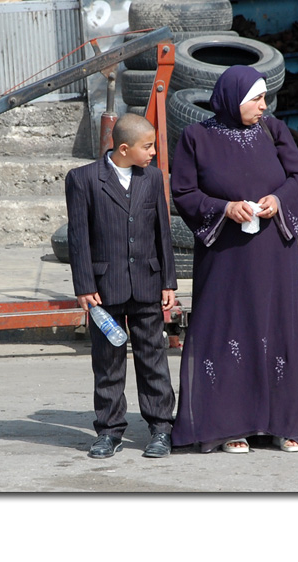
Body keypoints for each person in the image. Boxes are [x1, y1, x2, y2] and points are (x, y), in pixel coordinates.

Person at [169, 65, 298, 454]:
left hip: (274, 254)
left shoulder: (273, 130)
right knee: (229, 329)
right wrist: (224, 207)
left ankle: (282, 423)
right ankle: (230, 424)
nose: (264, 106)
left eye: (264, 98)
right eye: (257, 99)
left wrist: (279, 199)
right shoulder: (196, 137)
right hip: (226, 256)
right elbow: (182, 191)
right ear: (233, 99)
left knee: (277, 324)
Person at [64, 113, 178, 459]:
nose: (154, 153)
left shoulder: (152, 178)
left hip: (147, 282)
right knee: (108, 363)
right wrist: (84, 286)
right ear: (124, 148)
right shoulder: (83, 179)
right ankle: (109, 431)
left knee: (153, 360)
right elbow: (78, 236)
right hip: (103, 288)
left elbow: (163, 232)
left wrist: (168, 281)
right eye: (148, 147)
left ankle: (161, 429)